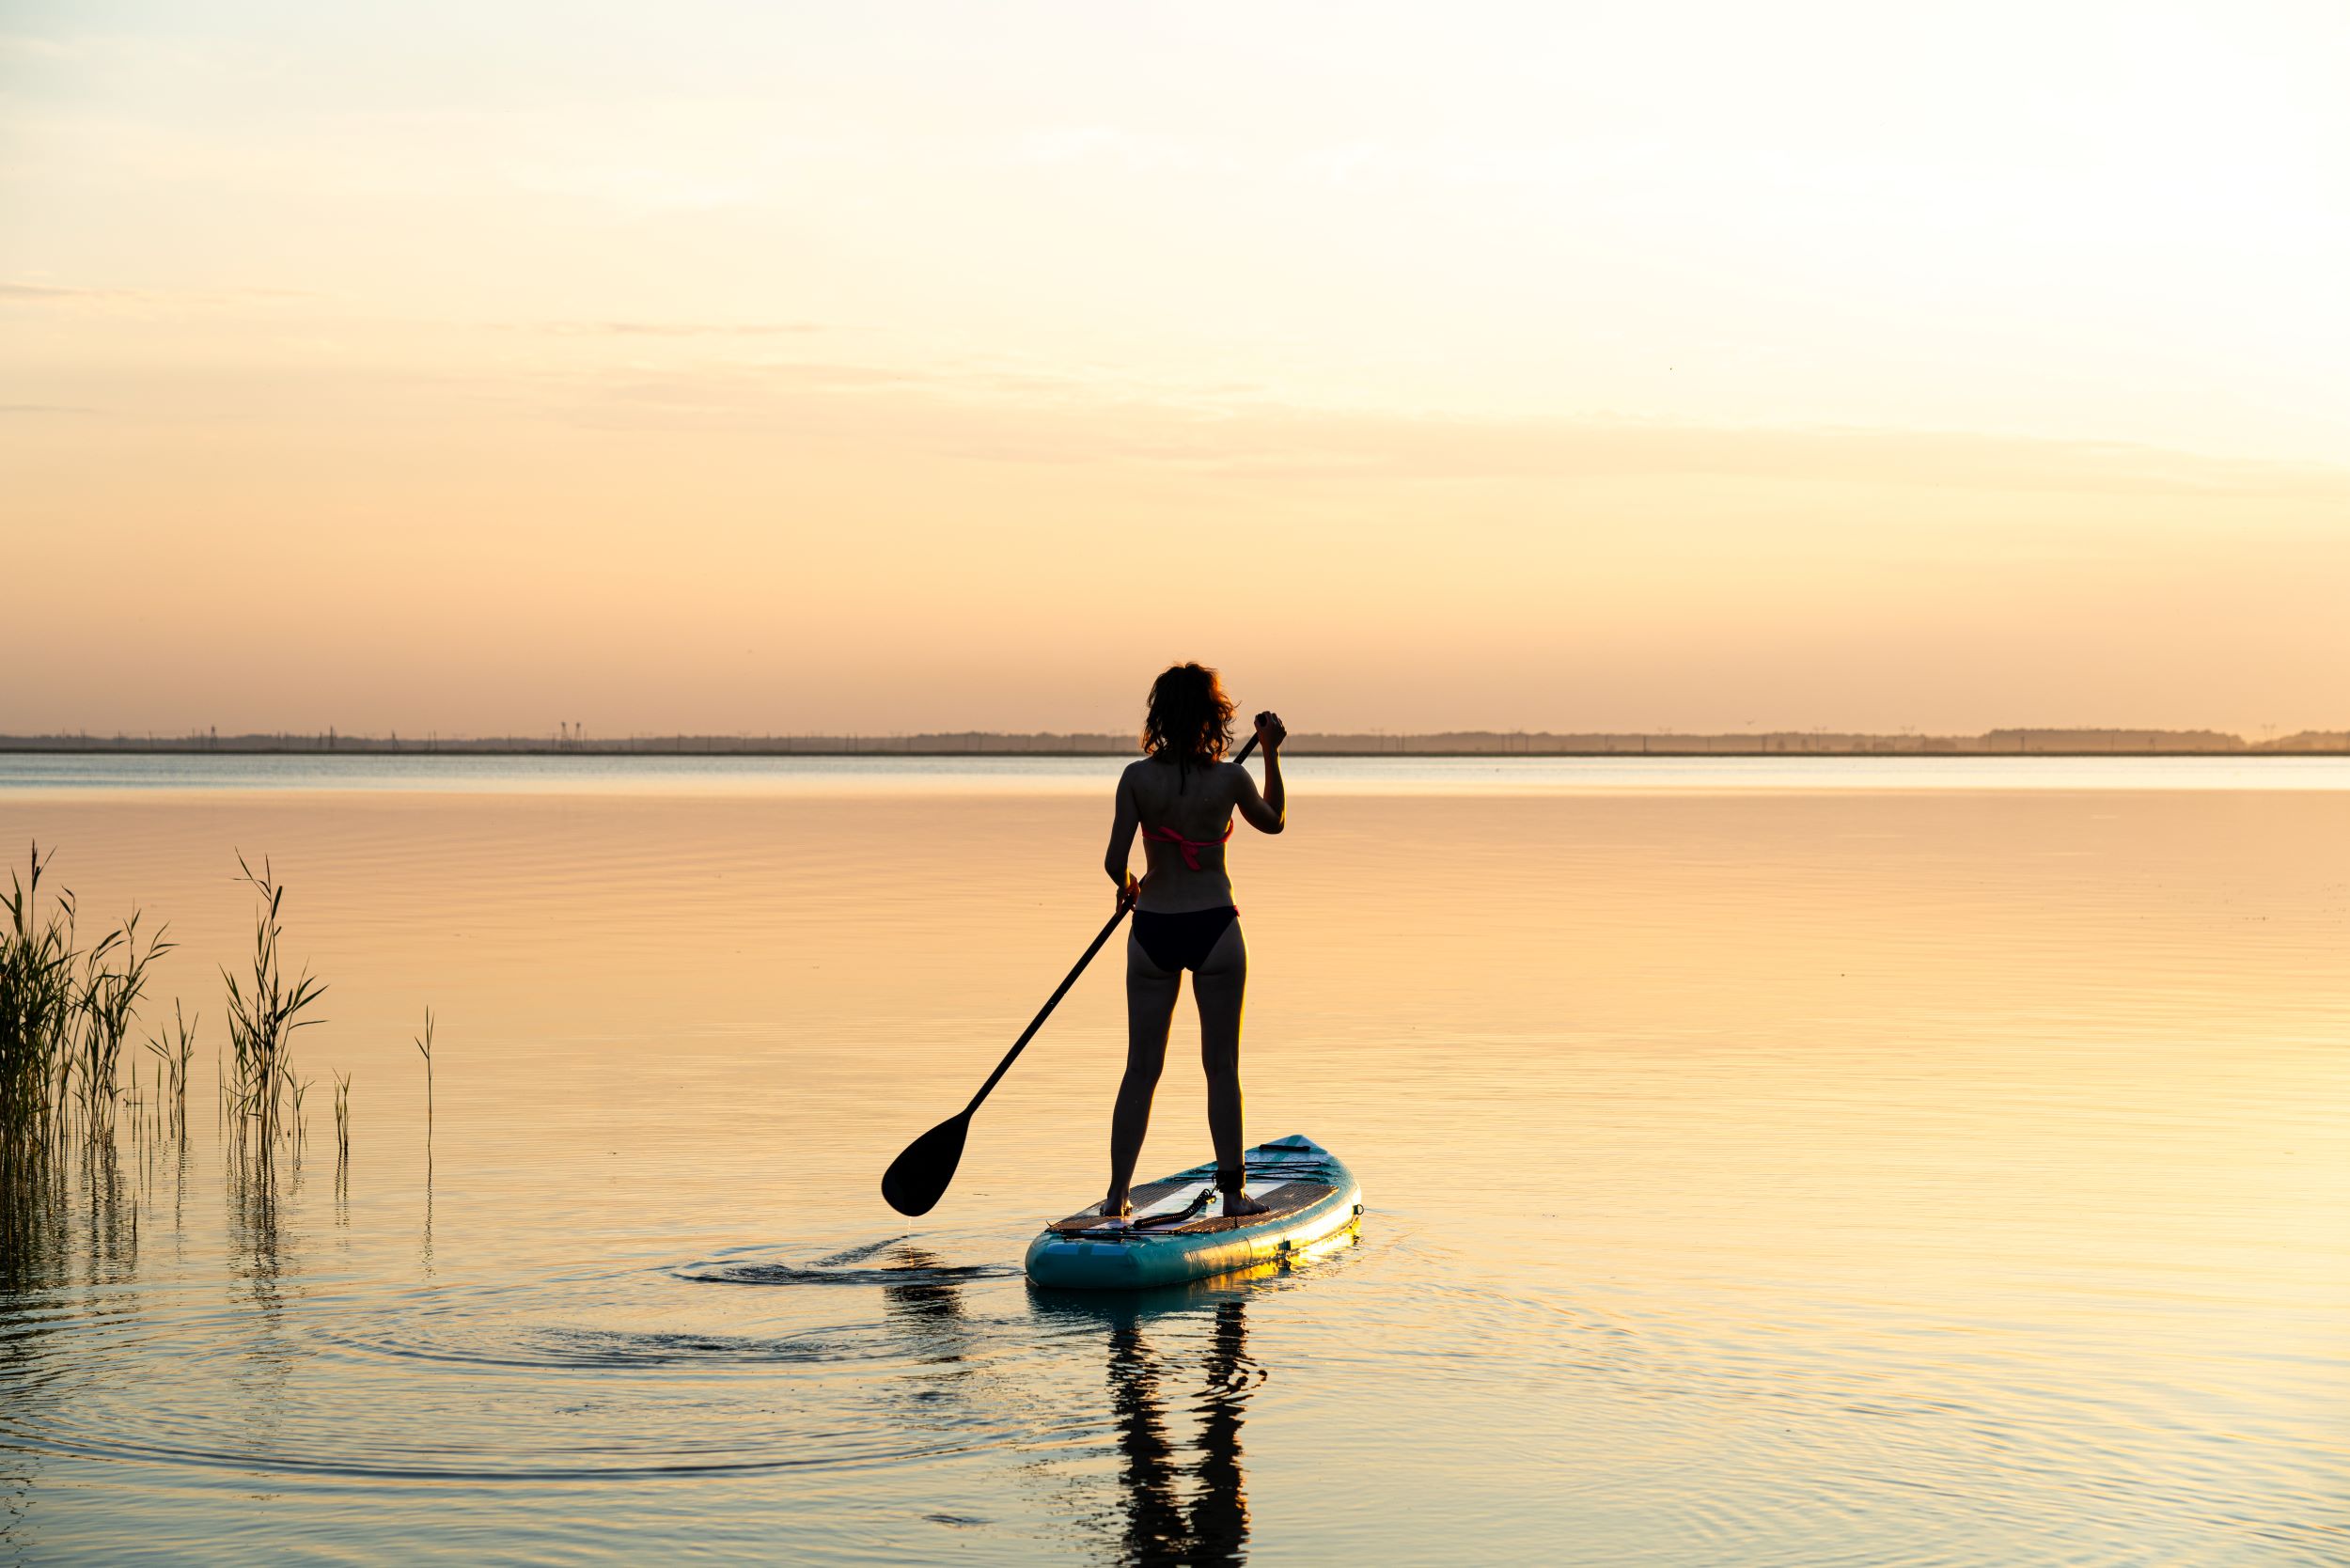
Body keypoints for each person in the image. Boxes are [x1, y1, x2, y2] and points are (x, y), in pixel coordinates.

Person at [1099, 662, 1286, 1220]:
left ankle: (1116, 1197)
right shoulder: (1230, 779)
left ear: (1159, 715)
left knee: (1140, 1068)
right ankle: (1233, 1194)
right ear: (1213, 717)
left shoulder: (1136, 778)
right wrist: (1271, 752)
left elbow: (1114, 862)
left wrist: (1130, 887)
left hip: (1153, 930)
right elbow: (1273, 821)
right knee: (1221, 1067)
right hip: (1214, 929)